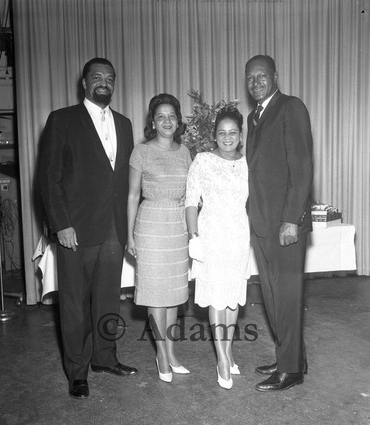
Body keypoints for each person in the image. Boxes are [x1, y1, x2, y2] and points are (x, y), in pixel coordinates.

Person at [39, 57, 137, 399]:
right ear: (84, 82)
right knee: (75, 303)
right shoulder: (62, 120)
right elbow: (48, 179)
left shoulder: (124, 124)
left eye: (110, 78)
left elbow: (124, 180)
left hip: (114, 228)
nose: (104, 82)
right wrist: (61, 224)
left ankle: (105, 357)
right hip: (76, 230)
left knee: (109, 299)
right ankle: (77, 372)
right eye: (97, 77)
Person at [245, 55, 313, 392]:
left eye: (262, 75)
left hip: (285, 225)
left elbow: (301, 167)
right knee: (271, 296)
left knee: (285, 295)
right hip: (261, 221)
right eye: (250, 78)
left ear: (276, 76)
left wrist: (291, 221)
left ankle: (291, 371)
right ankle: (291, 357)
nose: (256, 82)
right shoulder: (253, 117)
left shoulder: (291, 107)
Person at [127, 93, 192, 383]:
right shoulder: (140, 152)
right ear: (153, 122)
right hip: (151, 225)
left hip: (177, 227)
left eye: (172, 116)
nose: (167, 121)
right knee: (156, 293)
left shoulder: (185, 152)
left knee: (175, 293)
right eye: (161, 116)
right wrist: (129, 234)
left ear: (178, 121)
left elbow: (192, 195)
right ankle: (161, 355)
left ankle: (172, 352)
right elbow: (131, 196)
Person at [185, 106, 250, 390]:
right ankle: (221, 358)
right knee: (215, 297)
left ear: (240, 135)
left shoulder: (247, 163)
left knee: (232, 298)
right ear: (214, 135)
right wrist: (194, 237)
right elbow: (190, 202)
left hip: (237, 235)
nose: (227, 138)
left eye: (232, 132)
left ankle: (228, 350)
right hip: (210, 235)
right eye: (221, 133)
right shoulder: (202, 160)